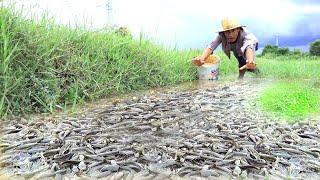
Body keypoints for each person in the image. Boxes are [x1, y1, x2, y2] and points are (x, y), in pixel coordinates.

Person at [193, 17, 259, 79]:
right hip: (235, 48)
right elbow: (211, 46)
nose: (230, 34)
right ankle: (240, 79)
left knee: (250, 66)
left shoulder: (246, 35)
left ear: (238, 29)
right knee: (241, 62)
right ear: (224, 32)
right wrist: (201, 59)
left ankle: (259, 75)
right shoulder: (221, 35)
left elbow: (248, 47)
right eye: (227, 32)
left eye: (233, 30)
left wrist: (250, 61)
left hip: (249, 46)